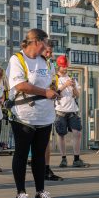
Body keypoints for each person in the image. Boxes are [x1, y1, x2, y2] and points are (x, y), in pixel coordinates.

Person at [6, 28, 59, 198]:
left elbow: (51, 83)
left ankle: (40, 190)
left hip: (45, 115)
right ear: (37, 42)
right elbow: (20, 85)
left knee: (39, 154)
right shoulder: (17, 59)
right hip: (24, 116)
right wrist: (45, 92)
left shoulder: (46, 62)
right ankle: (20, 192)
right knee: (21, 153)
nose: (47, 47)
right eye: (45, 42)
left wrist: (54, 92)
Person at [54, 55, 89, 168]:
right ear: (58, 66)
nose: (65, 68)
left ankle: (76, 159)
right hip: (60, 110)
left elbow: (77, 95)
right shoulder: (54, 79)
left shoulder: (71, 78)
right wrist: (65, 85)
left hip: (73, 110)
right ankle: (63, 158)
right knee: (61, 135)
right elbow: (54, 94)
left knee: (77, 133)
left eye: (66, 66)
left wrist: (73, 87)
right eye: (63, 66)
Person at [42, 43, 63, 181]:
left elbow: (53, 82)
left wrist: (55, 90)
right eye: (47, 52)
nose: (50, 55)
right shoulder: (32, 63)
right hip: (32, 108)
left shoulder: (50, 65)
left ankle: (46, 169)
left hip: (47, 107)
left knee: (46, 141)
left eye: (51, 52)